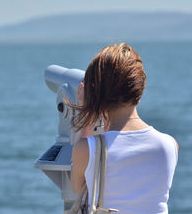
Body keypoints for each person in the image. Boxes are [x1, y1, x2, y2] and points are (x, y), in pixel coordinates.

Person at [69, 43, 178, 214]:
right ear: (139, 88)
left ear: (95, 93)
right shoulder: (169, 145)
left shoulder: (86, 150)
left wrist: (88, 109)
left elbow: (79, 189)